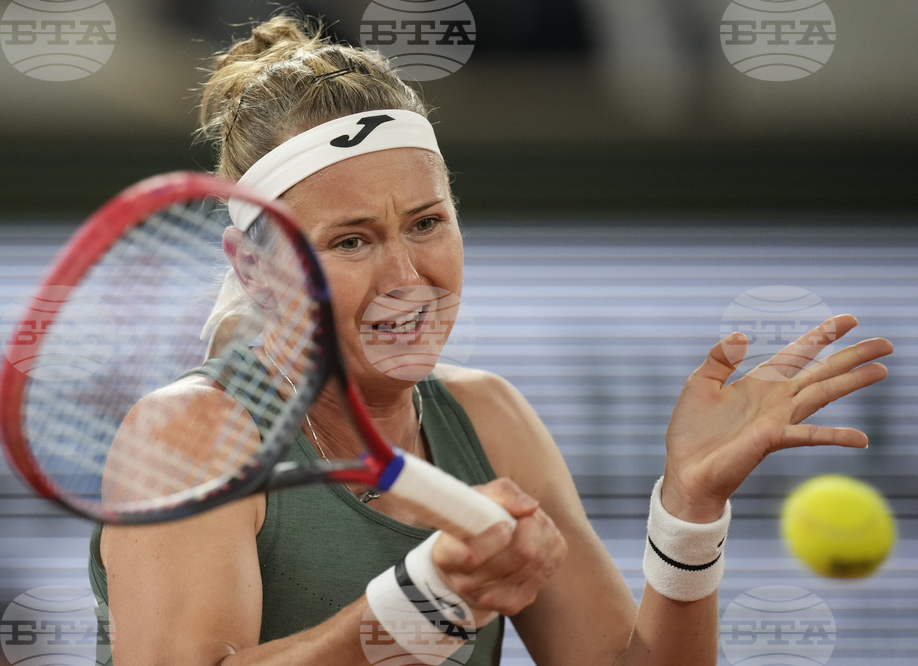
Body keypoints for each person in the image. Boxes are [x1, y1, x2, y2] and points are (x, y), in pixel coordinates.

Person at [88, 14, 893, 665]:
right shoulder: (192, 435)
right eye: (352, 241)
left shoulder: (491, 420)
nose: (408, 276)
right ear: (256, 269)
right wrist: (419, 604)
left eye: (426, 223)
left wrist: (689, 508)